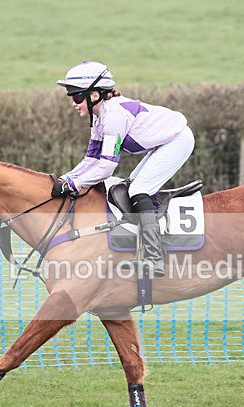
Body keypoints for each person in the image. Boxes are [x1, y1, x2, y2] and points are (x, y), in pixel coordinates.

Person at [52, 60, 195, 277]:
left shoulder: (113, 117)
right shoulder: (99, 119)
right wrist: (66, 179)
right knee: (128, 189)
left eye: (77, 97)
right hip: (163, 143)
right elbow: (90, 160)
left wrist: (76, 184)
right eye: (71, 97)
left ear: (94, 95)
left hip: (177, 140)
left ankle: (155, 259)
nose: (73, 103)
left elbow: (106, 167)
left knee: (138, 190)